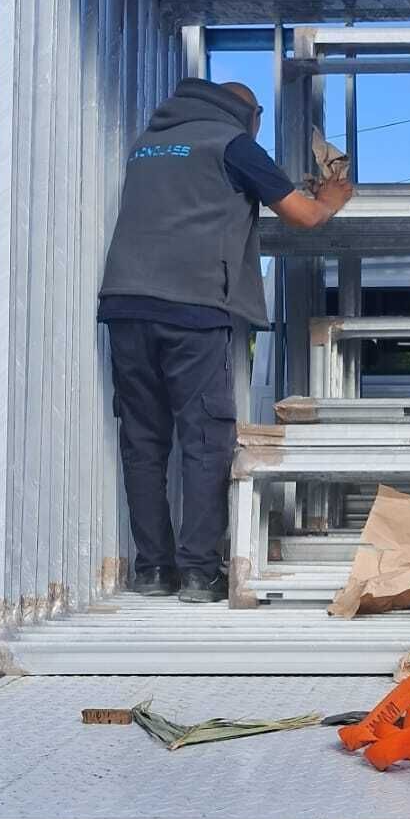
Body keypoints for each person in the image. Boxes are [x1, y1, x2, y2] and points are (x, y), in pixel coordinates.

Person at [98, 77, 351, 603]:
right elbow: (304, 217)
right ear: (251, 113)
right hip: (190, 308)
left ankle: (152, 570)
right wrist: (330, 196)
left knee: (143, 440)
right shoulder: (234, 142)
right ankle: (198, 571)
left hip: (126, 304)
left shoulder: (150, 143)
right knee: (205, 438)